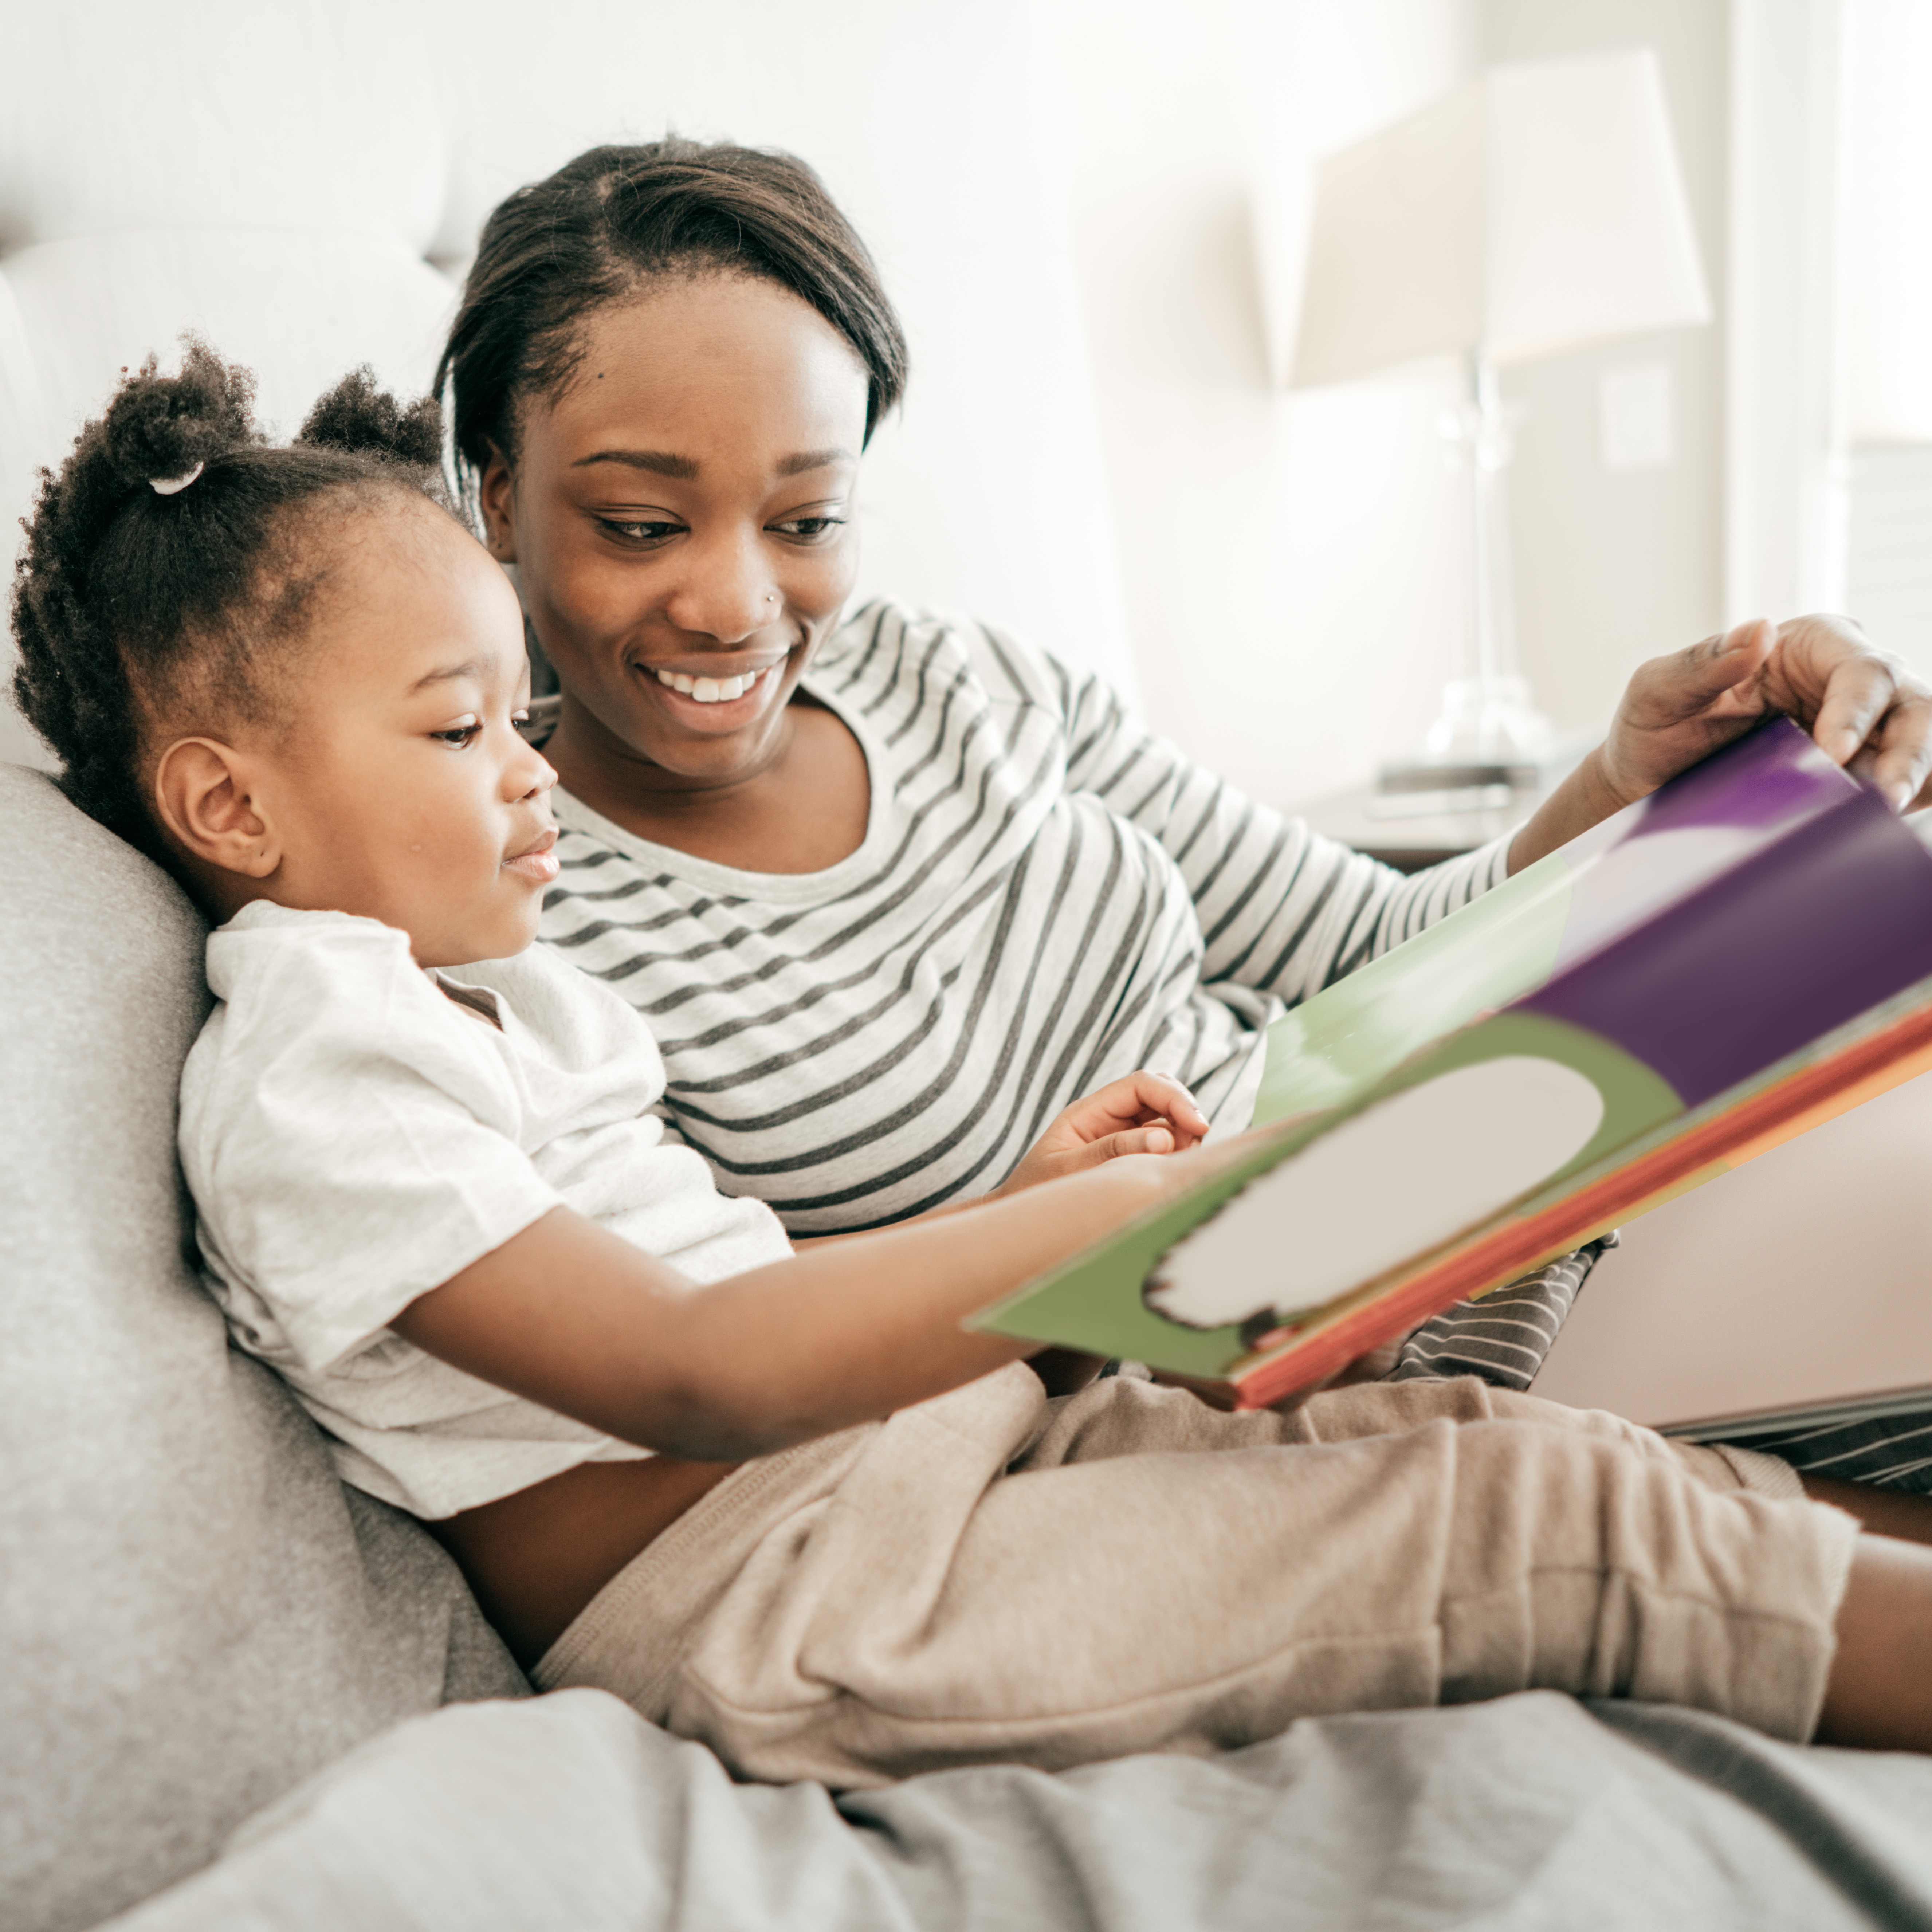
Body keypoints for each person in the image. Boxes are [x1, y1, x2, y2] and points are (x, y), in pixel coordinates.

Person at [16, 350, 1932, 1789]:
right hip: (784, 1598)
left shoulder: (488, 994)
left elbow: (731, 1296)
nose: (522, 768)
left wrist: (1019, 1215)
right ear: (225, 802)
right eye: (459, 725)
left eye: (803, 510)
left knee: (1487, 1453)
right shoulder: (311, 1068)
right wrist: (1071, 1239)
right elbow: (685, 1369)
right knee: (1520, 1528)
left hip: (932, 1449)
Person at [438, 138, 1932, 1252]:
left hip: (1445, 1201)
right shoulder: (502, 894)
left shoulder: (963, 679)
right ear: (500, 499)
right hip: (1241, 1369)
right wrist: (1016, 1237)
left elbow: (1370, 949)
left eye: (809, 520)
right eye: (642, 526)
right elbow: (703, 1354)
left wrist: (1629, 773)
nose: (737, 604)